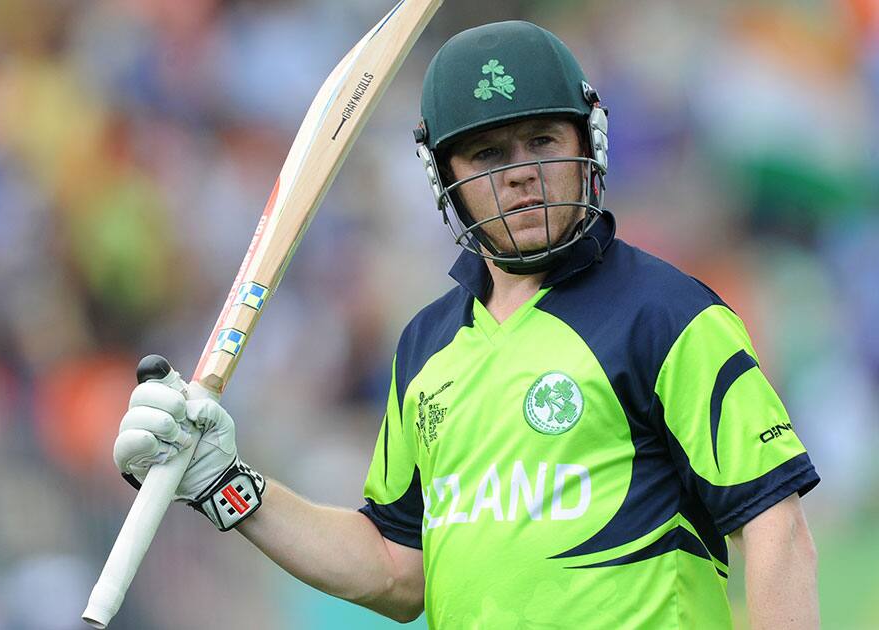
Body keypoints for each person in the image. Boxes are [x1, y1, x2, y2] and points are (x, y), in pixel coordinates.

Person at [113, 21, 820, 628]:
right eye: (488, 154)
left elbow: (774, 524)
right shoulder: (426, 345)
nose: (522, 174)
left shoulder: (670, 314)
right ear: (443, 175)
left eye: (543, 140)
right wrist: (224, 485)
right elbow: (394, 571)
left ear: (589, 142)